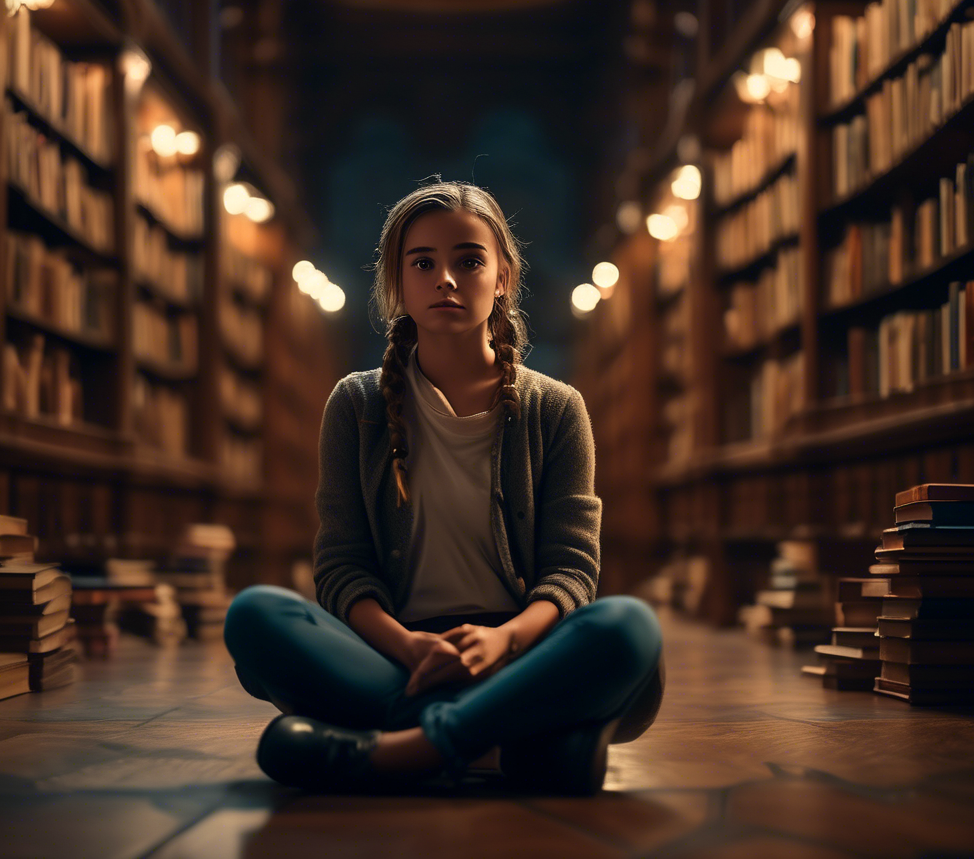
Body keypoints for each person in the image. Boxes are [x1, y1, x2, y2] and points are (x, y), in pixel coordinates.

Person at [223, 179, 664, 795]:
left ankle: (408, 751)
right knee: (254, 616)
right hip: (397, 661)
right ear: (397, 283)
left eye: (469, 260)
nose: (446, 279)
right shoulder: (356, 406)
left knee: (627, 628)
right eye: (423, 263)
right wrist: (410, 650)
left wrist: (504, 640)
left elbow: (571, 573)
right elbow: (342, 567)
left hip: (520, 656)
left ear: (503, 277)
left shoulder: (557, 409)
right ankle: (516, 745)